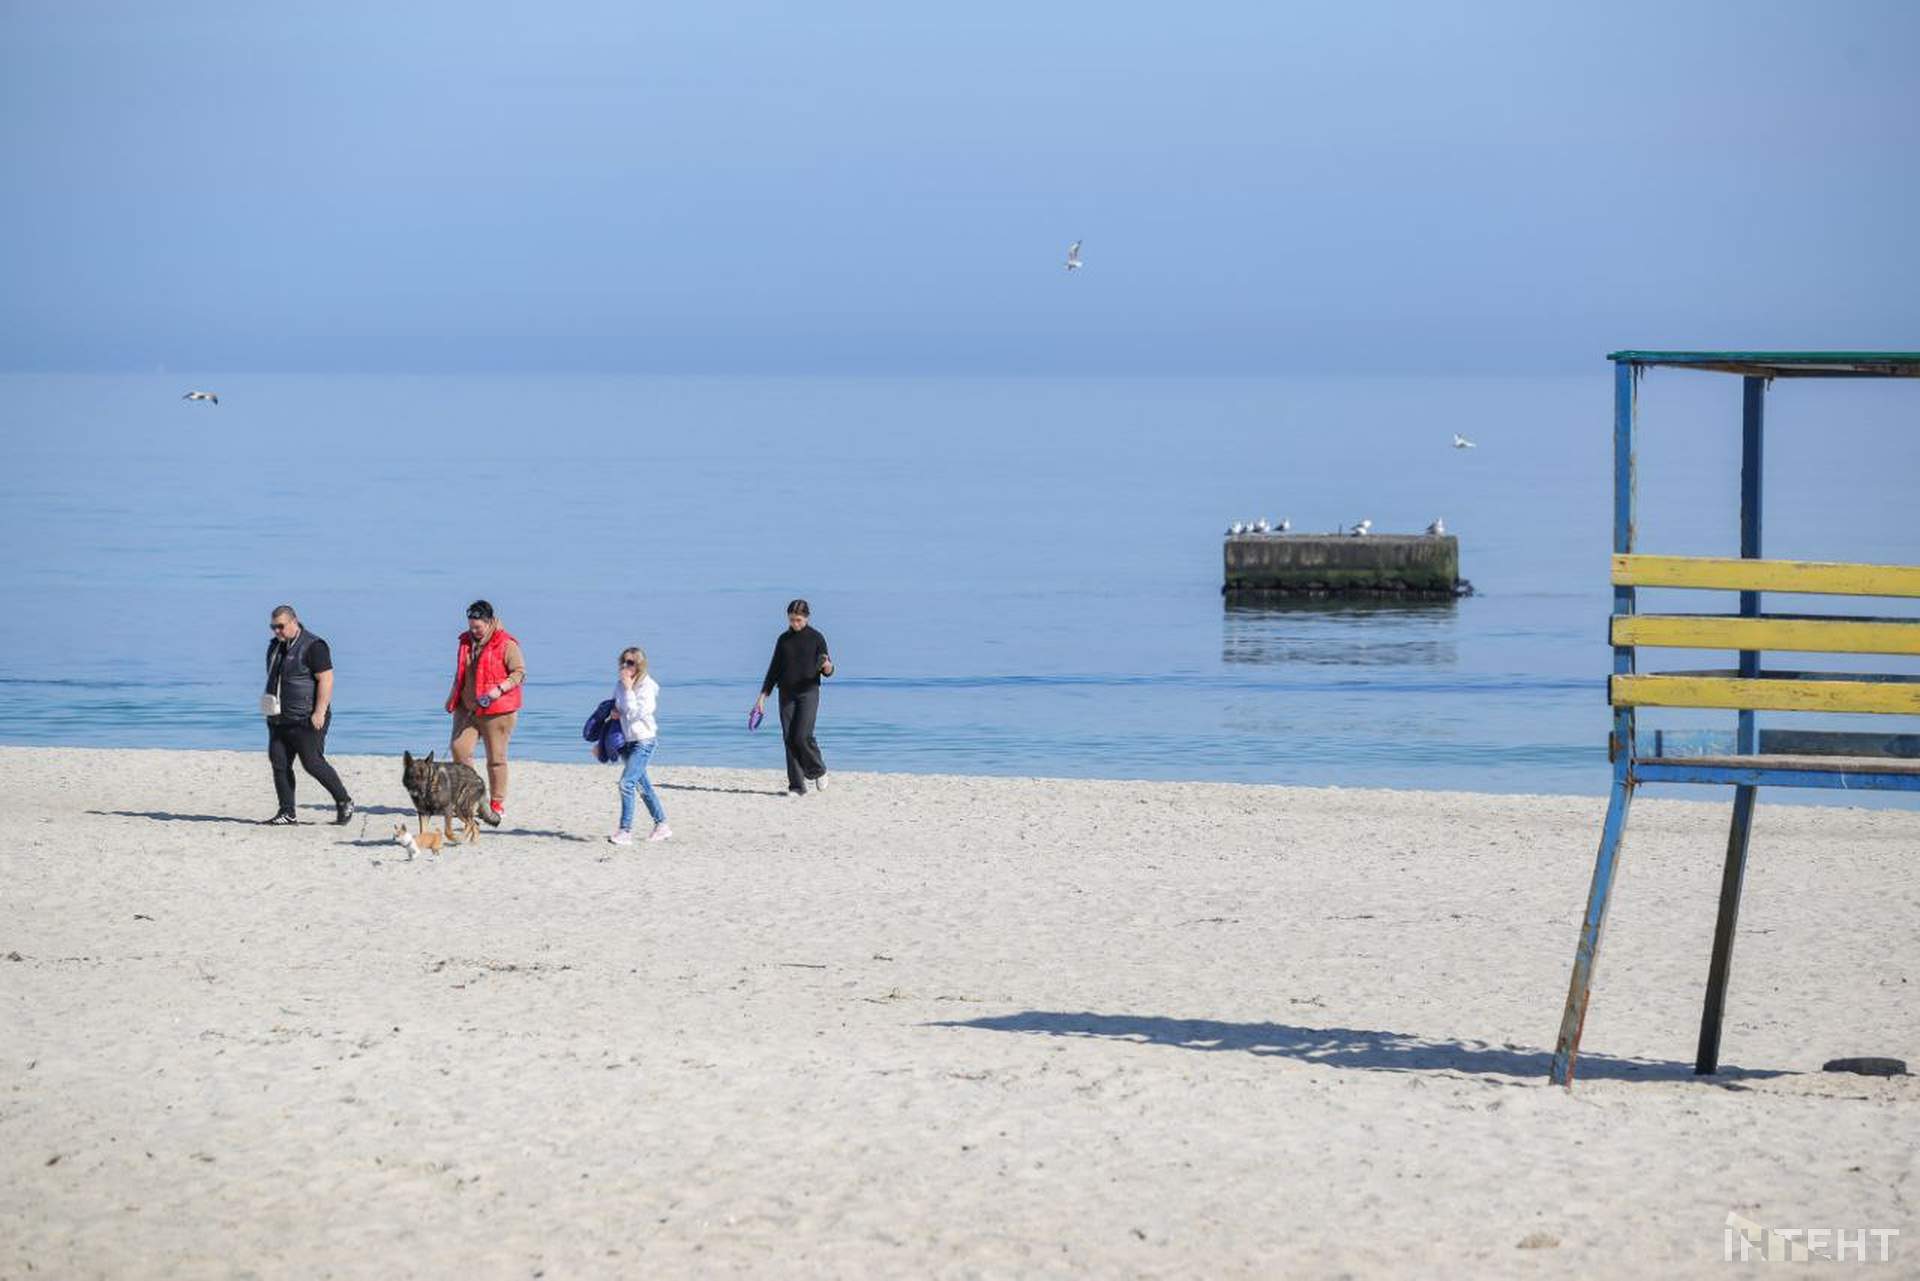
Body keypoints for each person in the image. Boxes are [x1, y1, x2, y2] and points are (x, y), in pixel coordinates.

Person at [262, 605, 354, 825]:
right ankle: (287, 812)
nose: (276, 631)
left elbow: (326, 679)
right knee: (279, 763)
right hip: (279, 717)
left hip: (307, 717)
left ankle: (344, 801)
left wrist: (319, 711)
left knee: (312, 763)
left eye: (280, 626)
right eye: (273, 627)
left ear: (294, 622)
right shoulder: (275, 646)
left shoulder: (314, 646)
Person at [445, 599, 525, 818]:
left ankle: (496, 803)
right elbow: (460, 673)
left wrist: (499, 689)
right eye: (471, 626)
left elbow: (519, 673)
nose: (473, 631)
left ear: (490, 622)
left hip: (498, 710)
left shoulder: (506, 643)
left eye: (478, 627)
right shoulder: (464, 641)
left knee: (496, 758)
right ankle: (470, 797)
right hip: (467, 707)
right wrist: (452, 698)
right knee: (459, 749)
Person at [755, 598, 833, 796]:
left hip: (809, 692)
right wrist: (762, 697)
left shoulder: (816, 638)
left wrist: (827, 666)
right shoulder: (783, 640)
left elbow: (828, 669)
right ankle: (797, 786)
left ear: (807, 618)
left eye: (798, 620)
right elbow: (773, 670)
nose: (795, 623)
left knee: (802, 735)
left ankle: (818, 770)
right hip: (786, 694)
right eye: (791, 620)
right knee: (789, 738)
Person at [608, 646, 670, 845]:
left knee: (626, 784)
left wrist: (628, 690)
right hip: (626, 742)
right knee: (643, 786)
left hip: (644, 741)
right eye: (623, 661)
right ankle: (662, 825)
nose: (625, 666)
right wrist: (614, 712)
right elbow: (617, 707)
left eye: (630, 662)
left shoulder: (647, 687)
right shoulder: (620, 684)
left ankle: (625, 831)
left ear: (640, 665)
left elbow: (636, 714)